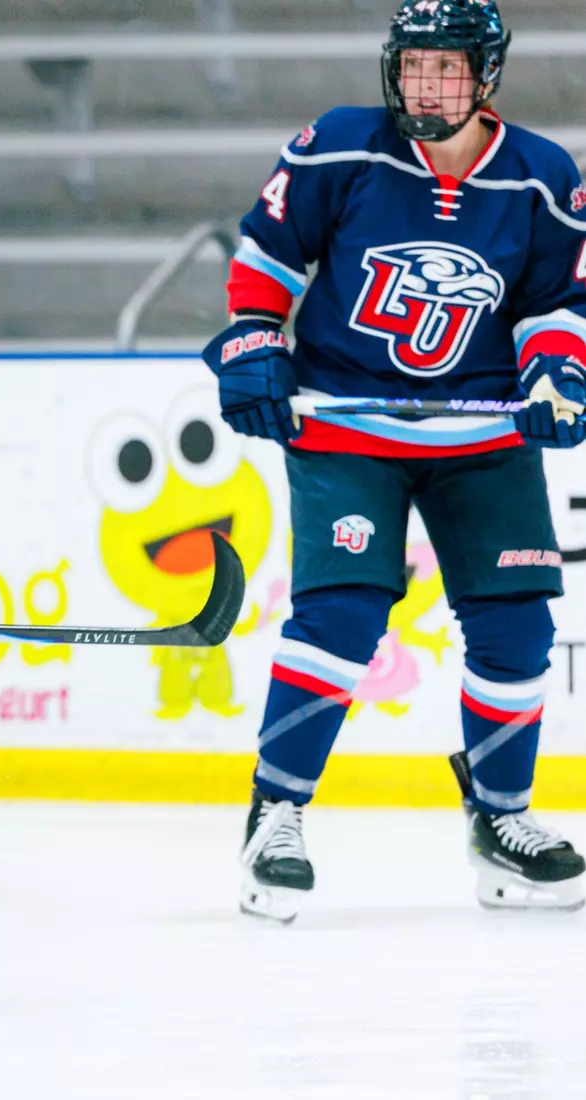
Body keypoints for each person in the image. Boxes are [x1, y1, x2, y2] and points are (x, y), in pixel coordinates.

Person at [207, 0, 586, 922]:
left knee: (516, 632)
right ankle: (277, 813)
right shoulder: (338, 147)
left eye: (448, 69)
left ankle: (502, 819)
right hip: (346, 429)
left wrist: (558, 375)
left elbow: (557, 301)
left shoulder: (542, 176)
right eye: (413, 66)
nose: (426, 85)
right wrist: (255, 345)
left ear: (486, 77)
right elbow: (268, 259)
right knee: (339, 619)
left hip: (483, 439)